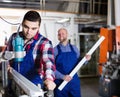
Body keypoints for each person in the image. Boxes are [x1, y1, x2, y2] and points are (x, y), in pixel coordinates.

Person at [5, 10, 56, 95]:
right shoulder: (14, 37)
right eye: (26, 27)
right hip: (14, 82)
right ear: (22, 24)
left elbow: (48, 62)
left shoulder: (44, 42)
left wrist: (49, 79)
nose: (29, 31)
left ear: (39, 27)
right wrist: (7, 68)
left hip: (33, 87)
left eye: (33, 28)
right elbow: (6, 56)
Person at [54, 28, 91, 97]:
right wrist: (62, 77)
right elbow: (51, 68)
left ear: (67, 35)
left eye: (63, 33)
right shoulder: (54, 50)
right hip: (60, 82)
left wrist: (85, 60)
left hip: (73, 82)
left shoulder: (74, 48)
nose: (61, 35)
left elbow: (79, 63)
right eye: (59, 34)